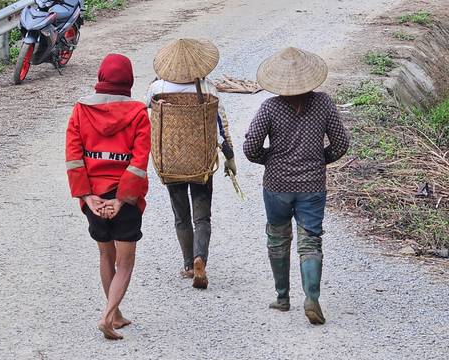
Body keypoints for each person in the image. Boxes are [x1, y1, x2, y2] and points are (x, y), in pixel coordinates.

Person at [243, 47, 349, 324]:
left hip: (277, 184)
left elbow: (251, 147)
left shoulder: (270, 107)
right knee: (310, 240)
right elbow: (341, 144)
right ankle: (311, 297)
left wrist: (270, 160)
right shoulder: (324, 103)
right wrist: (318, 160)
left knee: (278, 238)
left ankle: (282, 297)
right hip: (312, 183)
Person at [65, 54, 151, 339]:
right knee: (125, 262)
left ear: (101, 76)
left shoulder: (80, 110)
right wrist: (122, 199)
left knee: (106, 254)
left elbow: (74, 156)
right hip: (123, 198)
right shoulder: (138, 113)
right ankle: (107, 317)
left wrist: (87, 196)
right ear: (128, 80)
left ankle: (115, 314)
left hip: (94, 197)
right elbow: (139, 161)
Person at [146, 39, 236, 289]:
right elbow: (221, 125)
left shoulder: (156, 89)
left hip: (171, 161)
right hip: (201, 162)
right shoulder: (207, 88)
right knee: (202, 218)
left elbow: (147, 118)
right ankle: (200, 259)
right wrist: (230, 157)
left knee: (181, 217)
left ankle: (187, 265)